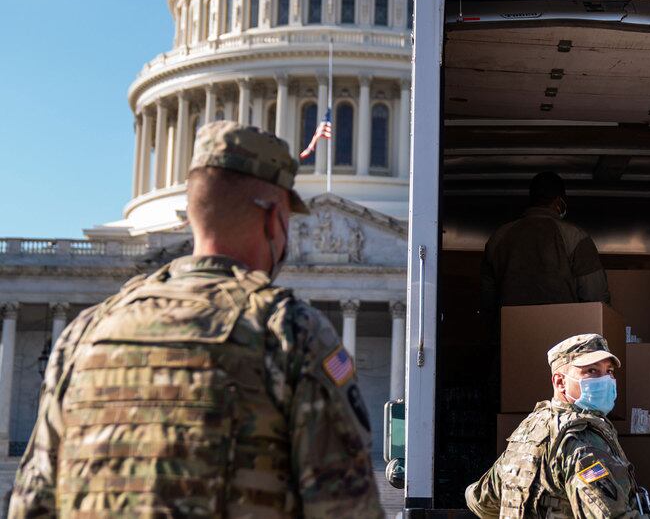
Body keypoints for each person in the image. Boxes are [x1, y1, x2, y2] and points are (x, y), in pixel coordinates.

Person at [8, 122, 384, 517]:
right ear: (274, 220)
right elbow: (346, 507)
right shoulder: (291, 334)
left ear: (190, 214)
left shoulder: (83, 334)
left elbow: (30, 503)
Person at [465, 334, 650, 518]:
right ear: (560, 382)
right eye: (592, 371)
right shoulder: (580, 438)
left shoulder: (529, 430)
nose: (606, 380)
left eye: (609, 371)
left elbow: (480, 500)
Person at [481, 171, 610, 308]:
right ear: (559, 201)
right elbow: (595, 297)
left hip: (511, 327)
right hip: (563, 326)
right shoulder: (574, 237)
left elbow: (487, 298)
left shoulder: (498, 237)